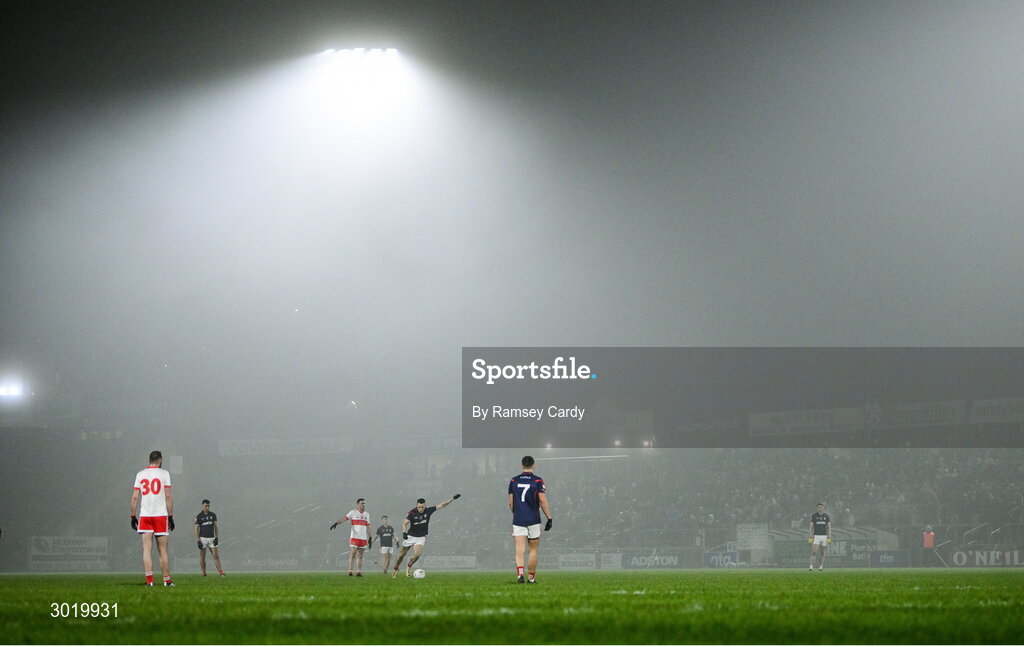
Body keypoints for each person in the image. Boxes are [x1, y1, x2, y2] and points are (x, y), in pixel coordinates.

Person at [131, 450, 175, 586]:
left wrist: (132, 515)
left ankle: (149, 581)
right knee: (162, 550)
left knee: (146, 549)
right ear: (160, 460)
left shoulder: (140, 474)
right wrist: (171, 515)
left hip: (145, 516)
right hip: (160, 515)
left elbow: (135, 497)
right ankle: (166, 581)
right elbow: (168, 496)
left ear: (149, 460)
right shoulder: (164, 473)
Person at [391, 494, 460, 579]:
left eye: (422, 507)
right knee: (401, 555)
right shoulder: (412, 512)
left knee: (417, 555)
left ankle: (409, 566)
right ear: (417, 506)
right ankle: (396, 567)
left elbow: (442, 505)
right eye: (419, 507)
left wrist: (453, 499)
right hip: (411, 536)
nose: (421, 509)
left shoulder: (428, 511)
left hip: (421, 537)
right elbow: (405, 523)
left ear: (425, 506)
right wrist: (404, 533)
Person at [508, 455, 553, 583]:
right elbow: (543, 501)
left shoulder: (513, 481)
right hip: (533, 519)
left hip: (519, 519)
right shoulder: (538, 481)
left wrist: (516, 513)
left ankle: (520, 575)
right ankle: (531, 578)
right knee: (533, 550)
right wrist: (549, 518)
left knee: (519, 549)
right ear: (534, 465)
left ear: (522, 465)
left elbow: (510, 503)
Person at [330, 498, 371, 576]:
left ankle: (359, 572)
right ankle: (350, 571)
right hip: (354, 537)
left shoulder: (367, 514)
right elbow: (345, 518)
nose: (363, 505)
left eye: (364, 503)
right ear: (358, 504)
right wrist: (336, 523)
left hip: (363, 538)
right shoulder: (353, 512)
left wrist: (370, 536)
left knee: (360, 556)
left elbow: (368, 525)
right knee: (353, 554)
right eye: (362, 503)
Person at [194, 499, 225, 577]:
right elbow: (195, 529)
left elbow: (216, 527)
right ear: (202, 506)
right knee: (202, 557)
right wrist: (198, 541)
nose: (207, 507)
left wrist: (217, 537)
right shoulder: (199, 516)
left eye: (208, 506)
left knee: (215, 555)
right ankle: (204, 572)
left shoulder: (213, 515)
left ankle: (221, 572)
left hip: (212, 538)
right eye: (206, 506)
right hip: (203, 539)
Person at [808, 502, 831, 571]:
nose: (820, 508)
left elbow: (829, 527)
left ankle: (821, 566)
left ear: (823, 508)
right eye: (819, 507)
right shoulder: (814, 516)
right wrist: (810, 536)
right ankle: (811, 567)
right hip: (816, 536)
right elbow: (811, 526)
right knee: (814, 552)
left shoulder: (826, 516)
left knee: (822, 552)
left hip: (824, 536)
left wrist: (829, 537)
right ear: (817, 508)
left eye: (821, 507)